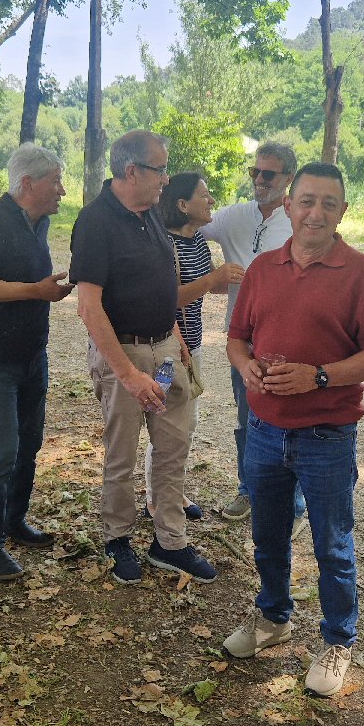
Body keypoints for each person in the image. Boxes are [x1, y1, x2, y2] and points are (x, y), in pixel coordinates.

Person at [221, 162, 364, 698]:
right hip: (264, 430)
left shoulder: (361, 273)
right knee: (267, 535)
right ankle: (273, 616)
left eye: (328, 204)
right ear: (289, 206)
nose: (316, 213)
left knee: (332, 544)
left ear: (343, 212)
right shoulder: (261, 269)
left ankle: (338, 639)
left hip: (327, 435)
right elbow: (236, 338)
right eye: (307, 201)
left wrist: (318, 376)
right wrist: (246, 366)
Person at [69, 130, 216, 586]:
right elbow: (88, 306)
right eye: (160, 169)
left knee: (172, 445)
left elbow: (161, 283)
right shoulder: (95, 221)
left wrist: (176, 336)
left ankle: (169, 541)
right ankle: (117, 538)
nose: (166, 179)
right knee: (122, 454)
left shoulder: (151, 212)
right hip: (125, 355)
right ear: (131, 170)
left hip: (166, 352)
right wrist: (129, 374)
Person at [0, 144, 73, 581]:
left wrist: (51, 288)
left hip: (32, 355)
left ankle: (14, 520)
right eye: (55, 181)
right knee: (2, 453)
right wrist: (35, 291)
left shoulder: (39, 222)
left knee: (29, 444)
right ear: (28, 183)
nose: (62, 190)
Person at [199, 144, 307, 535]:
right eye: (254, 172)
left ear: (288, 178)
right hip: (241, 340)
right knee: (248, 418)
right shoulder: (234, 216)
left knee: (290, 420)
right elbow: (186, 224)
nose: (259, 180)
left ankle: (294, 505)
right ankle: (249, 490)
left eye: (269, 174)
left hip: (289, 338)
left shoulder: (299, 220)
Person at [143, 172, 245, 520]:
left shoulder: (198, 240)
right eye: (205, 195)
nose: (212, 200)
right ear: (183, 205)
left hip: (193, 346)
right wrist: (215, 278)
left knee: (186, 422)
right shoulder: (163, 244)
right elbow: (166, 299)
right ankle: (156, 498)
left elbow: (210, 285)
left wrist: (239, 279)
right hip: (168, 351)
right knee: (166, 423)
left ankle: (173, 490)